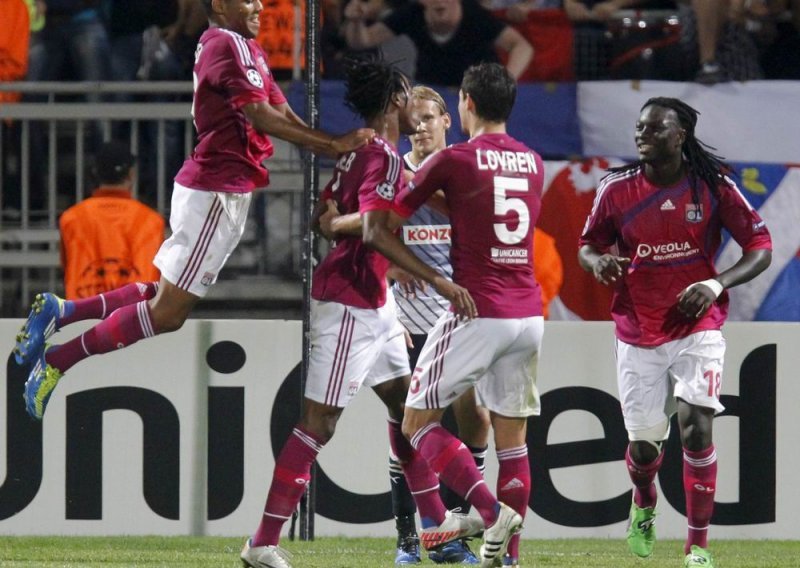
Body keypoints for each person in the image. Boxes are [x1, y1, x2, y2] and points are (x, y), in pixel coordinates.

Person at [13, 0, 376, 421]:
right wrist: (331, 145)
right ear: (220, 5)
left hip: (221, 188)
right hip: (215, 190)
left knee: (160, 293)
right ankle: (60, 360)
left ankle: (62, 311)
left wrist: (328, 143)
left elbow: (279, 108)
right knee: (168, 314)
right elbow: (260, 115)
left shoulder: (243, 45)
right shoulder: (228, 44)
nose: (260, 5)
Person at [240, 57, 483, 568]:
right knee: (318, 423)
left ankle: (437, 531)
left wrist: (334, 224)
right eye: (406, 96)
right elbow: (372, 229)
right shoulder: (382, 159)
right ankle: (261, 542)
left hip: (375, 303)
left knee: (406, 410)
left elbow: (322, 217)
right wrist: (438, 278)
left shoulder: (360, 151)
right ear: (396, 101)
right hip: (349, 301)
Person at [362, 62, 546, 568]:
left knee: (416, 422)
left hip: (475, 308)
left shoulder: (456, 161)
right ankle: (504, 557)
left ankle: (485, 515)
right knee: (514, 445)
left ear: (463, 104)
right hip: (528, 312)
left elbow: (384, 220)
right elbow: (476, 208)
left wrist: (346, 212)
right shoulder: (532, 161)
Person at [577, 97, 772, 568]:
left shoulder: (712, 186)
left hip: (697, 328)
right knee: (645, 447)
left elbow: (761, 246)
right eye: (639, 127)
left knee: (696, 428)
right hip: (638, 328)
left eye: (654, 128)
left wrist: (715, 282)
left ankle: (697, 546)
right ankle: (643, 501)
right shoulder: (615, 189)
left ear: (680, 134)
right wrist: (598, 261)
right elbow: (588, 245)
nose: (642, 135)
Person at [59, 141, 164, 300]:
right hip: (133, 319)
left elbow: (66, 268)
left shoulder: (70, 218)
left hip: (80, 317)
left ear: (95, 173)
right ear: (131, 174)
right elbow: (153, 274)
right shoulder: (151, 221)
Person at [341, 0, 533, 86]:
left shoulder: (475, 16)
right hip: (432, 91)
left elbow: (522, 47)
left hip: (475, 96)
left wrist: (505, 82)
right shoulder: (411, 14)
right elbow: (362, 41)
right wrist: (355, 21)